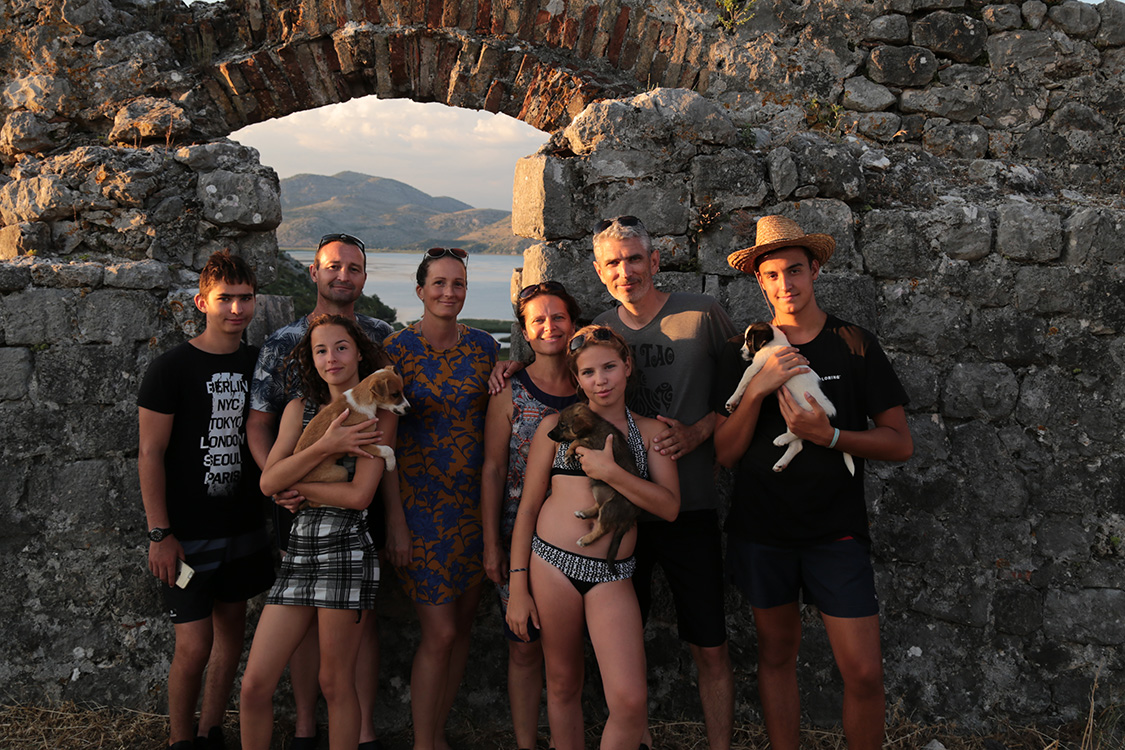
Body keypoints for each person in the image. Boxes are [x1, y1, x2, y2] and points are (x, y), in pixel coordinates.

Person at [714, 215, 913, 750]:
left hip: (836, 532)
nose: (786, 285)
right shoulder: (742, 347)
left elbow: (899, 442)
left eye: (796, 271)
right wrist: (757, 390)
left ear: (816, 269)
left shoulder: (854, 343)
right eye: (773, 275)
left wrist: (827, 436)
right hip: (762, 530)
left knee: (865, 673)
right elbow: (726, 454)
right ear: (760, 281)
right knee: (777, 656)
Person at [590, 215, 737, 750]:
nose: (625, 271)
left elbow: (743, 385)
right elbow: (568, 384)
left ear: (654, 261)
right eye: (613, 262)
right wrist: (508, 370)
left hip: (691, 505)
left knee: (710, 646)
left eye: (634, 259)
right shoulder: (600, 331)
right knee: (622, 651)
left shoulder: (702, 315)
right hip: (623, 511)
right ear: (599, 271)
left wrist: (700, 432)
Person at [247, 233, 394, 750]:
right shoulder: (288, 367)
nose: (332, 357)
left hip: (347, 545)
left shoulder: (380, 343)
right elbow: (263, 449)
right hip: (298, 541)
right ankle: (306, 729)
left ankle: (358, 736)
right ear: (314, 271)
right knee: (255, 685)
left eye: (354, 268)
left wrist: (291, 480)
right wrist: (300, 468)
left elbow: (359, 496)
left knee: (340, 677)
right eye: (333, 266)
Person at [505, 325, 680, 750]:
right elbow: (527, 508)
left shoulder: (651, 433)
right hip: (552, 567)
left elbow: (670, 507)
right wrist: (517, 587)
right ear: (576, 378)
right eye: (587, 372)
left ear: (627, 367)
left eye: (608, 368)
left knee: (630, 700)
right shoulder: (555, 426)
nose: (600, 380)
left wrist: (612, 473)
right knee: (563, 684)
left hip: (612, 573)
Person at [137, 250, 274, 750]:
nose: (236, 309)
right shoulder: (171, 368)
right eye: (225, 299)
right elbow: (149, 454)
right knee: (194, 647)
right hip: (188, 538)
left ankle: (210, 730)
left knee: (231, 633)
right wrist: (160, 533)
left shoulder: (260, 364)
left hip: (244, 530)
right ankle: (180, 741)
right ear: (202, 302)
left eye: (245, 298)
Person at [383, 247, 500, 750]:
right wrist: (395, 523)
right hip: (419, 510)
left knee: (463, 630)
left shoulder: (483, 348)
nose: (449, 292)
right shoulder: (395, 352)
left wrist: (511, 370)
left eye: (458, 284)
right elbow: (383, 445)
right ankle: (423, 743)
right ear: (419, 291)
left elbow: (498, 409)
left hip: (475, 509)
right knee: (442, 635)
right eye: (439, 284)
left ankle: (438, 735)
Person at [481, 281, 582, 750]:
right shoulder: (510, 390)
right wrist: (491, 544)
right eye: (537, 320)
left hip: (578, 543)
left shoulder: (593, 384)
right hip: (517, 538)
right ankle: (525, 743)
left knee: (570, 656)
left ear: (574, 323)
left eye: (557, 317)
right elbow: (493, 468)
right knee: (524, 649)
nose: (549, 327)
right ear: (524, 330)